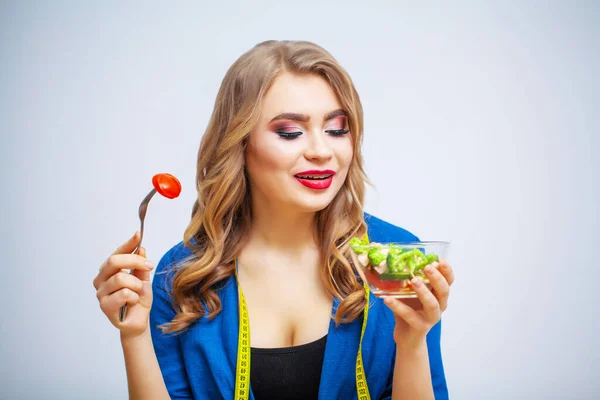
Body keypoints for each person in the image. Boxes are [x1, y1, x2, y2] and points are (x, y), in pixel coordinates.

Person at [93, 40, 455, 400]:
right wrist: (135, 336)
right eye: (290, 132)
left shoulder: (392, 259)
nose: (321, 150)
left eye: (337, 129)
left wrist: (412, 343)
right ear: (239, 143)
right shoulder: (184, 275)